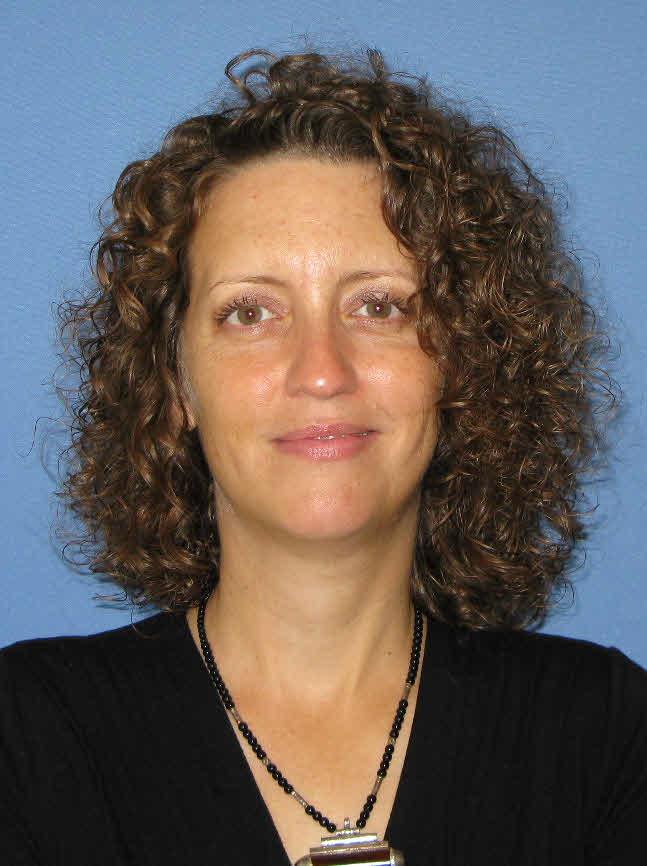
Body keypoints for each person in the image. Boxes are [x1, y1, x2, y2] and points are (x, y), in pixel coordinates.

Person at [1, 46, 646, 866]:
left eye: (378, 306)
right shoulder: (25, 738)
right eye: (249, 313)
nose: (320, 371)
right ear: (174, 384)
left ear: (462, 362)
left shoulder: (604, 737)